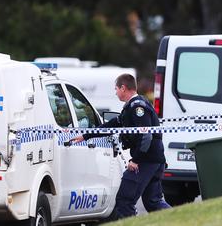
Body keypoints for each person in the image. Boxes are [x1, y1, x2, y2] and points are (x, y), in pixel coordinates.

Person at [68, 74, 170, 219]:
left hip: (145, 161)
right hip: (154, 160)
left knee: (124, 202)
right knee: (153, 203)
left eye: (116, 89)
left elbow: (145, 135)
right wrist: (86, 135)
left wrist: (135, 160)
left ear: (123, 88)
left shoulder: (137, 107)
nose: (115, 92)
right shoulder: (131, 107)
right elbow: (112, 125)